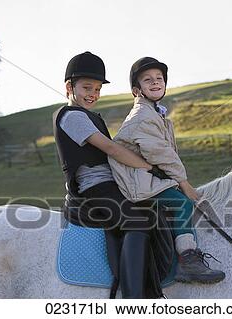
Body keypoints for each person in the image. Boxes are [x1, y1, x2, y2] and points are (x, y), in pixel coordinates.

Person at [53, 52, 170, 298]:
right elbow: (111, 149)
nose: (92, 94)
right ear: (68, 87)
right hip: (94, 188)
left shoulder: (92, 116)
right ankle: (132, 300)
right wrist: (147, 168)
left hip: (112, 183)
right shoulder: (72, 116)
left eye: (97, 89)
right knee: (139, 221)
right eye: (87, 88)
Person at [108, 57, 226, 284]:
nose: (155, 83)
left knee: (179, 200)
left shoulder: (155, 114)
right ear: (136, 90)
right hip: (136, 181)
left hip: (148, 177)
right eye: (147, 80)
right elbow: (161, 154)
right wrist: (184, 183)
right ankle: (188, 261)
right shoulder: (142, 117)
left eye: (159, 79)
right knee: (181, 202)